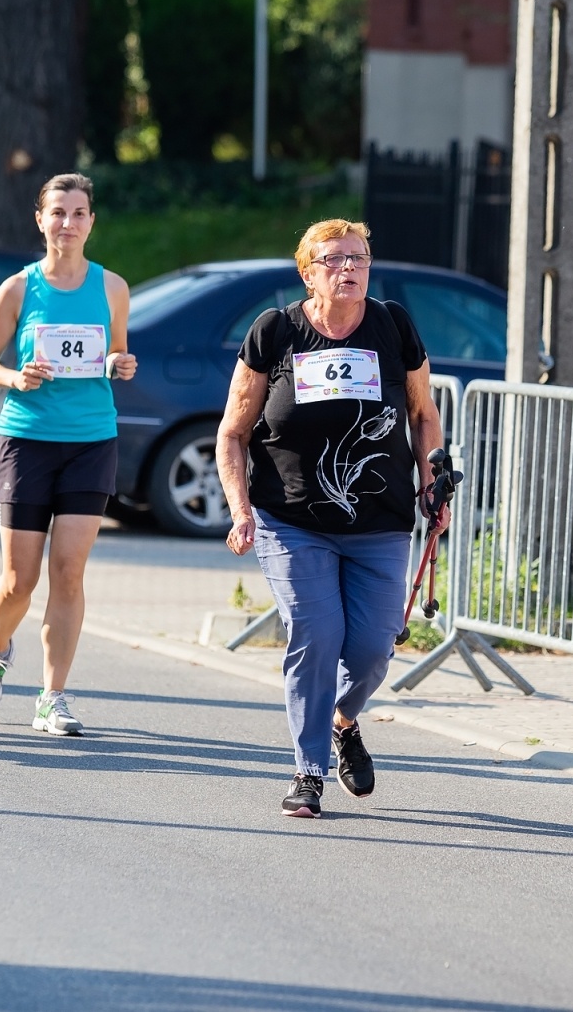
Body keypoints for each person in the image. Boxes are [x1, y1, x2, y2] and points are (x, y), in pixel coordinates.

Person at [217, 219, 448, 818]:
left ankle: (344, 719)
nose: (349, 268)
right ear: (307, 271)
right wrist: (241, 510)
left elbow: (423, 416)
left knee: (373, 648)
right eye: (335, 259)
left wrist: (433, 481)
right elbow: (234, 433)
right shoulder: (276, 333)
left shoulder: (393, 326)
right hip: (291, 519)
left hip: (381, 520)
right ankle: (308, 770)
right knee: (316, 637)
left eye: (360, 258)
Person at [0, 173, 137, 736]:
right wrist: (15, 377)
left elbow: (115, 353)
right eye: (57, 212)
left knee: (69, 572)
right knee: (20, 579)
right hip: (27, 440)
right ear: (40, 220)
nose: (68, 222)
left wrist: (121, 364)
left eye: (79, 212)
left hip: (91, 438)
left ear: (92, 221)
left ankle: (52, 697)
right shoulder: (18, 288)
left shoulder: (112, 287)